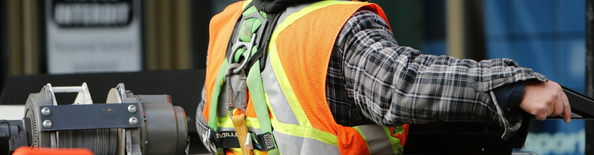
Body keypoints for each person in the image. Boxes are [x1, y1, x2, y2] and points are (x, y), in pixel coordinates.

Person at [195, 0, 572, 154]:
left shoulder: (232, 23)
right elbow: (401, 86)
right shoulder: (338, 25)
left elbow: (209, 124)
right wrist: (511, 87)